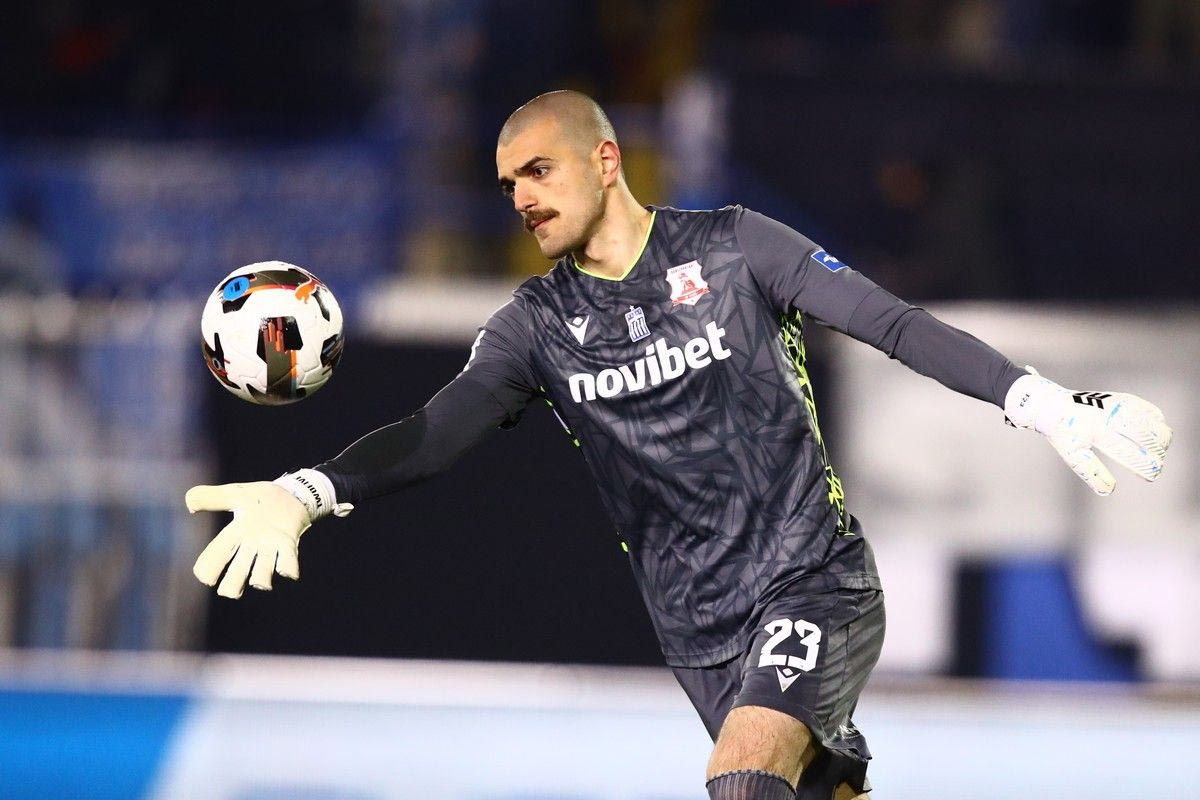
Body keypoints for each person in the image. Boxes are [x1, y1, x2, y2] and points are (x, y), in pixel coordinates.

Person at [185, 91, 1172, 800]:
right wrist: (308, 489)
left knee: (741, 774)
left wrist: (1042, 401)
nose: (521, 197)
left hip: (814, 581)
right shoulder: (534, 326)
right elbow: (438, 431)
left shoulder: (738, 246)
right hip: (698, 634)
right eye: (507, 183)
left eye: (539, 170)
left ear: (606, 160)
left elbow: (893, 323)